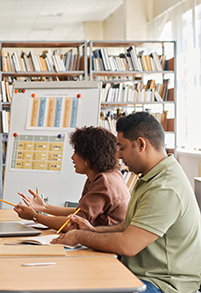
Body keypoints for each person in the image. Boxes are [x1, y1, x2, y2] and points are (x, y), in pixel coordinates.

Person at [53, 112, 201, 293]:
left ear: (141, 144)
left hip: (161, 285)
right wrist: (92, 231)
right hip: (140, 274)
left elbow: (127, 245)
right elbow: (130, 226)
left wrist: (79, 236)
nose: (119, 155)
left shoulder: (165, 187)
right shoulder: (150, 176)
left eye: (122, 148)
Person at [14, 126, 130, 232]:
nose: (72, 157)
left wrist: (35, 216)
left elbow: (72, 225)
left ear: (89, 157)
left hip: (106, 248)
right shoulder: (108, 175)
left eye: (76, 152)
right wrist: (44, 207)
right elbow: (79, 213)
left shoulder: (104, 182)